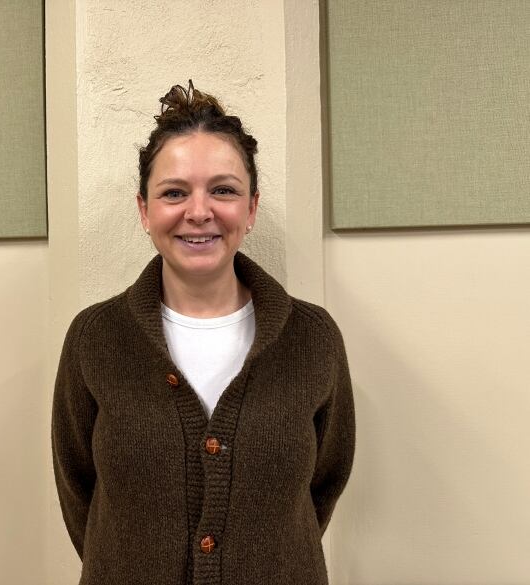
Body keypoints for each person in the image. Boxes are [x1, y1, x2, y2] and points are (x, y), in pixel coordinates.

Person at [51, 81, 355, 585]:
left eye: (223, 190)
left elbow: (323, 483)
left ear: (251, 209)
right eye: (174, 193)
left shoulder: (313, 338)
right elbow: (78, 484)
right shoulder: (95, 338)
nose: (199, 211)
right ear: (145, 211)